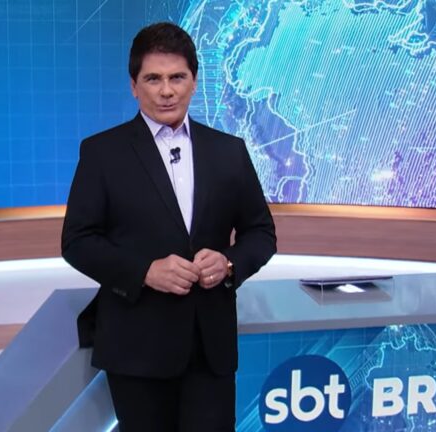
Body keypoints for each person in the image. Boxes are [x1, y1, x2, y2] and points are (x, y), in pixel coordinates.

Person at [61, 22, 276, 431]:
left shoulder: (229, 151)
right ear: (133, 86)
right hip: (137, 349)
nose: (166, 91)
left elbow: (260, 232)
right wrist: (145, 271)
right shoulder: (102, 153)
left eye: (177, 77)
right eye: (153, 79)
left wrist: (229, 264)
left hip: (209, 351)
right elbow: (77, 241)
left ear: (194, 81)